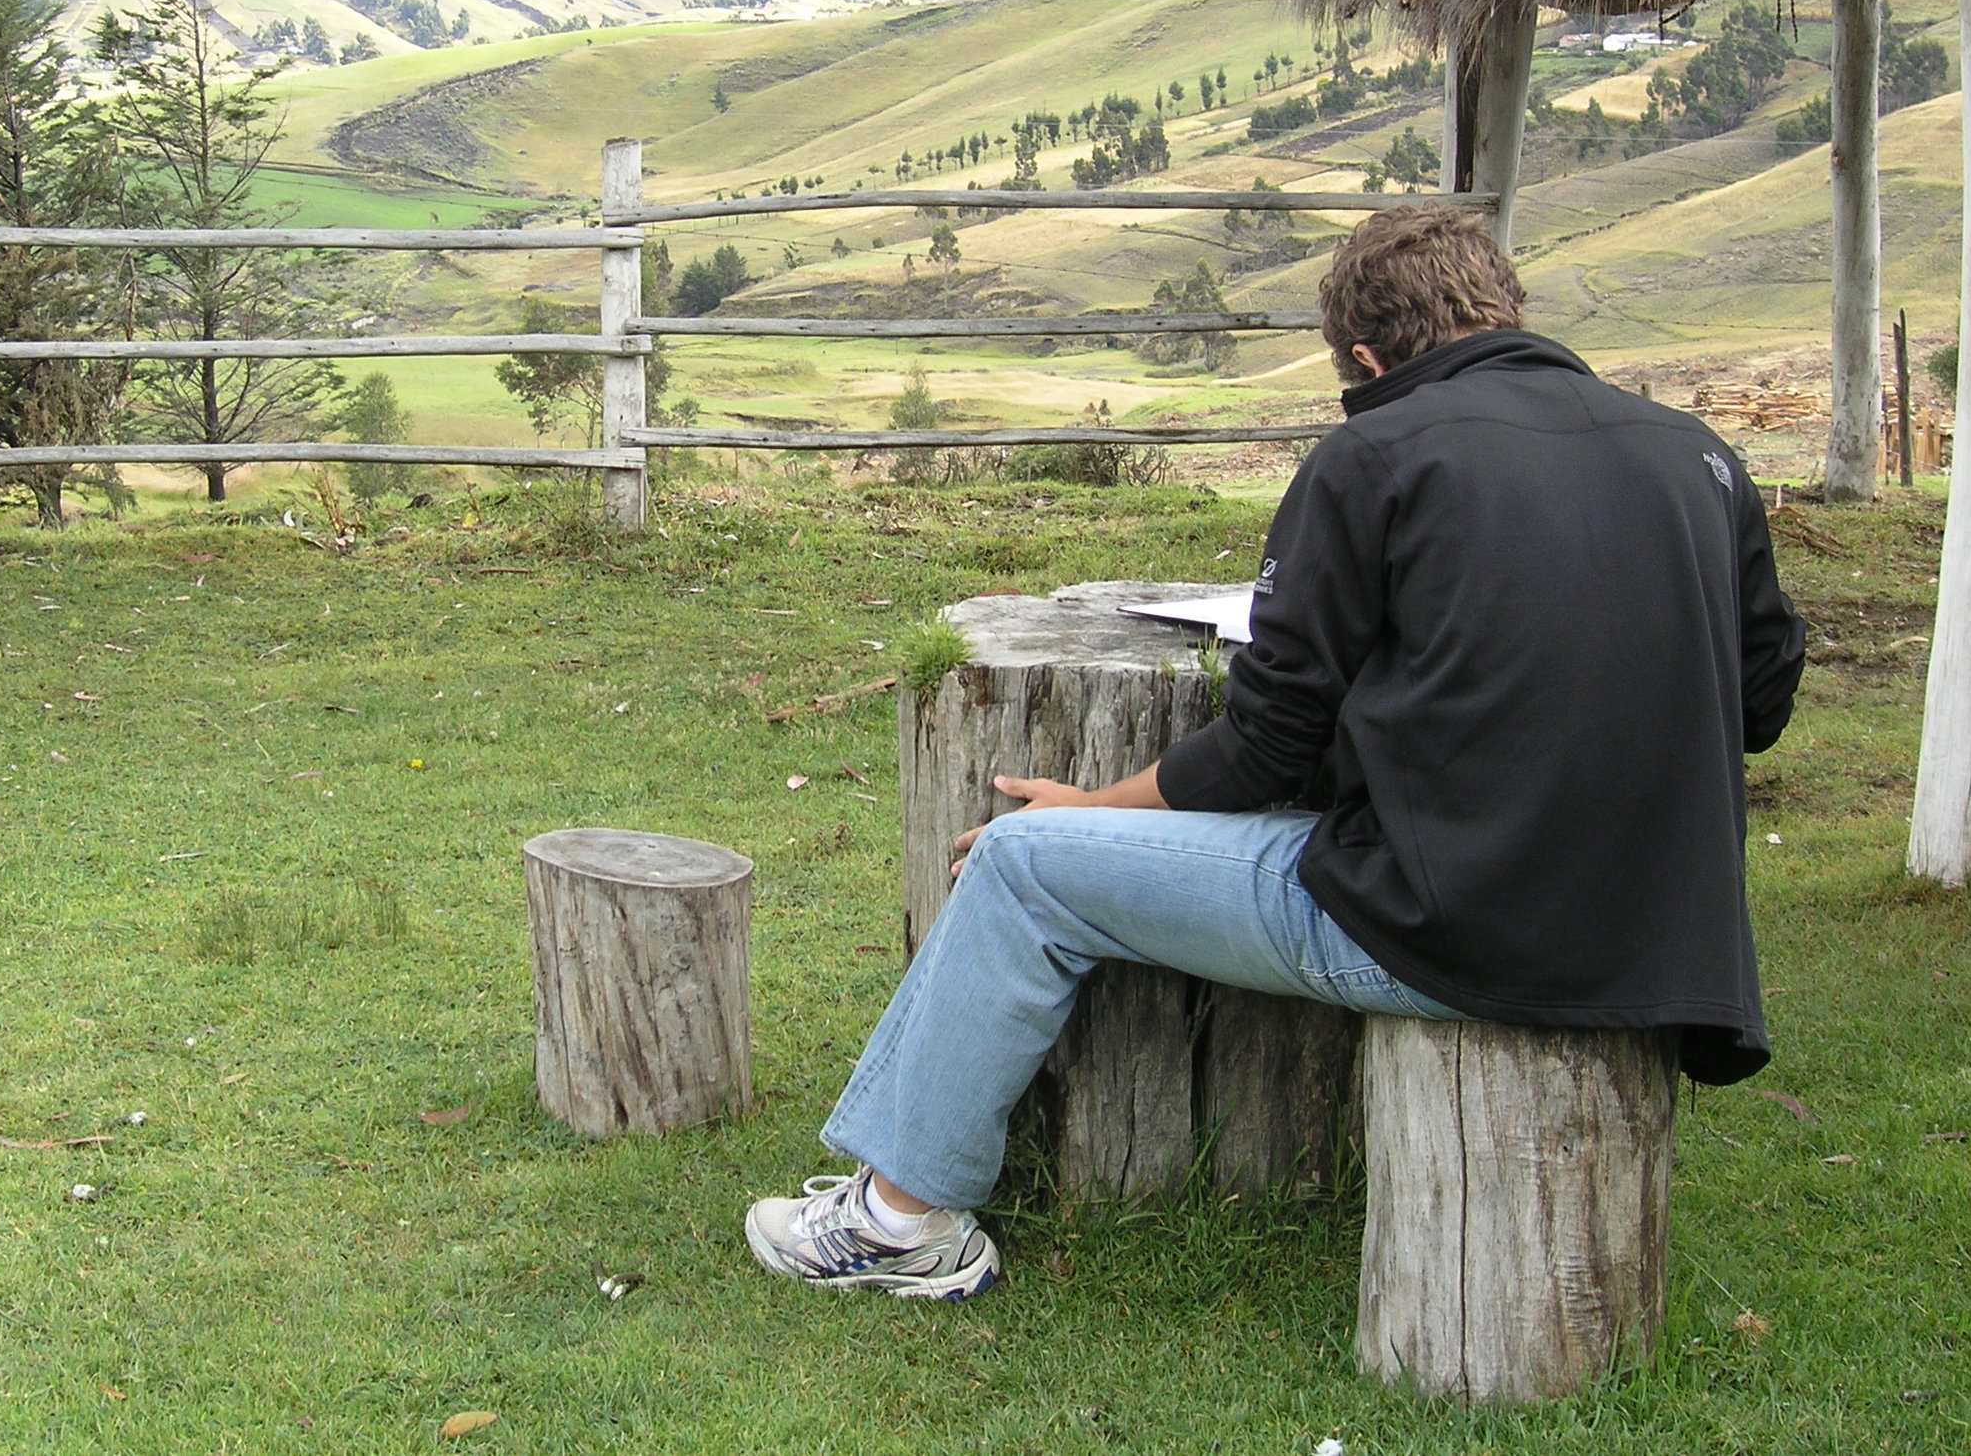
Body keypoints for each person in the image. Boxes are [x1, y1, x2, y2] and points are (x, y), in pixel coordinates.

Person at [743, 204, 1806, 1300]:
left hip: (1455, 934)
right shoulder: (1697, 455)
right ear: (1504, 305)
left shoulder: (1377, 454)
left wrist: (1085, 808)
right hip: (1661, 941)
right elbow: (1761, 699)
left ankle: (896, 1224)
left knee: (1020, 866)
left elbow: (1265, 744)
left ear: (1363, 354)